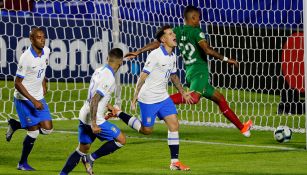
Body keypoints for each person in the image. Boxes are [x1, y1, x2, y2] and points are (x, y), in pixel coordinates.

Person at [125, 5, 252, 137]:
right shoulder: (196, 32)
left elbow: (159, 42)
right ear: (193, 18)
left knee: (220, 99)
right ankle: (161, 103)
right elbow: (207, 50)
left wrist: (139, 51)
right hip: (200, 72)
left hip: (190, 73)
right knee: (195, 98)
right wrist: (226, 59)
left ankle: (243, 128)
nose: (199, 21)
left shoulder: (177, 31)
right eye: (198, 18)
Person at [107, 25, 192, 171]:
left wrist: (182, 92)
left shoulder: (172, 55)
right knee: (147, 130)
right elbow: (143, 76)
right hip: (148, 98)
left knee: (174, 125)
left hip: (163, 96)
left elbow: (173, 76)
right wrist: (135, 97)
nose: (174, 35)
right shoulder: (155, 55)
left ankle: (174, 162)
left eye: (173, 33)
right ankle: (118, 112)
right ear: (163, 39)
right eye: (170, 34)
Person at [59, 48, 126, 175]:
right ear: (120, 62)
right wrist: (94, 123)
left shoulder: (98, 70)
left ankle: (62, 174)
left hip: (84, 113)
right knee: (121, 140)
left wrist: (108, 105)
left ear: (107, 58)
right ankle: (90, 158)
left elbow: (95, 94)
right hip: (94, 118)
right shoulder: (109, 77)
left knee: (82, 149)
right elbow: (95, 99)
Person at [6, 27, 53, 171]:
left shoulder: (47, 51)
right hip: (24, 99)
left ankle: (16, 125)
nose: (42, 39)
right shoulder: (26, 58)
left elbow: (43, 68)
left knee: (47, 129)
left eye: (43, 36)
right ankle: (22, 163)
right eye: (38, 37)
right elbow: (17, 83)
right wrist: (33, 101)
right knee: (33, 132)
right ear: (31, 39)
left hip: (38, 96)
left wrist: (44, 83)